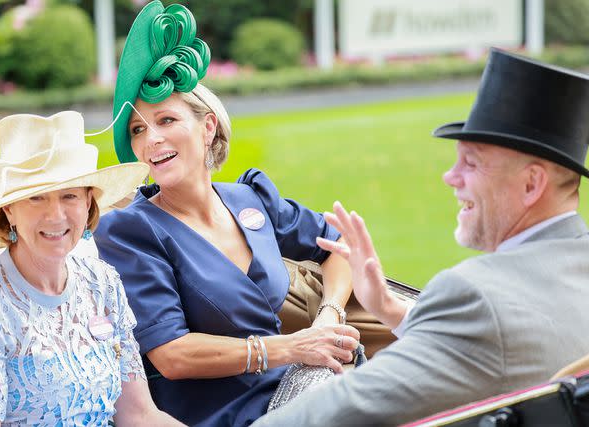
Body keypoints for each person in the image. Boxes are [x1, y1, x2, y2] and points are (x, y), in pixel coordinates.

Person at [252, 48, 589, 427]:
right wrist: (386, 306)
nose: (450, 176)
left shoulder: (476, 295)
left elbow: (345, 408)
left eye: (471, 163)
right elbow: (509, 340)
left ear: (531, 184)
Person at [93, 2, 359, 426]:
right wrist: (294, 347)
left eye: (166, 119)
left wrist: (329, 316)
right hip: (217, 414)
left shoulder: (250, 198)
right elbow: (172, 355)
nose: (151, 139)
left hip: (291, 384)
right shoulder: (129, 230)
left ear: (208, 126)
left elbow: (338, 245)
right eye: (138, 130)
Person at [0, 111, 183, 426]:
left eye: (69, 196)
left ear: (88, 204)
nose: (56, 215)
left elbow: (139, 414)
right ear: (9, 210)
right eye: (36, 198)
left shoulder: (102, 282)